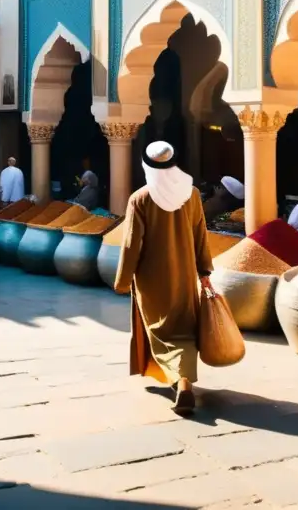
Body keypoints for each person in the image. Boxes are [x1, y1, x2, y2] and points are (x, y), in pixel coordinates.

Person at [115, 142, 213, 415]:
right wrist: (204, 270)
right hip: (183, 275)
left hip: (152, 279)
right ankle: (182, 381)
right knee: (183, 329)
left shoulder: (140, 198)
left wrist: (123, 280)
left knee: (161, 331)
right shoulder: (191, 194)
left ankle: (178, 381)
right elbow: (200, 234)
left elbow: (132, 244)